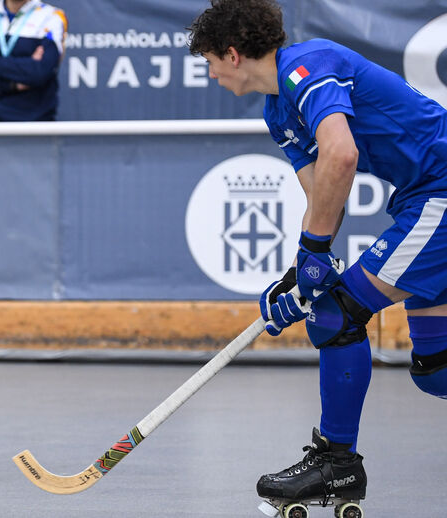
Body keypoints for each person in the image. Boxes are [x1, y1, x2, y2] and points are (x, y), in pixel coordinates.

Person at [188, 0, 447, 510]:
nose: (211, 73)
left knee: (337, 315)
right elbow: (323, 196)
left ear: (233, 55)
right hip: (423, 198)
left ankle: (337, 464)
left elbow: (342, 154)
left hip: (442, 192)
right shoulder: (276, 108)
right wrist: (301, 273)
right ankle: (337, 464)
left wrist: (316, 255)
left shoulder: (308, 66)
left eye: (210, 61)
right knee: (436, 370)